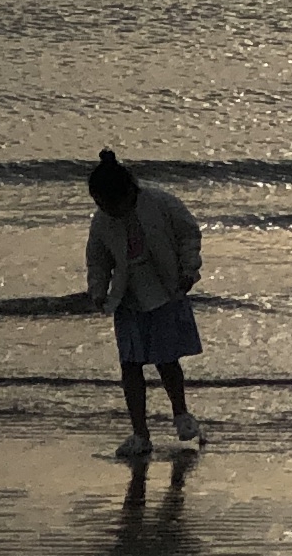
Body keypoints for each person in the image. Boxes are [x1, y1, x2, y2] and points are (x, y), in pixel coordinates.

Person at [85, 148, 204, 464]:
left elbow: (188, 234)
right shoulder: (102, 222)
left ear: (128, 192)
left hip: (164, 291)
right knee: (130, 366)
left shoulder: (160, 204)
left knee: (167, 361)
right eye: (100, 204)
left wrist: (189, 270)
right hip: (128, 298)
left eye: (110, 203)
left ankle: (180, 414)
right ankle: (140, 433)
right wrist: (98, 290)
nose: (106, 209)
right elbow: (97, 259)